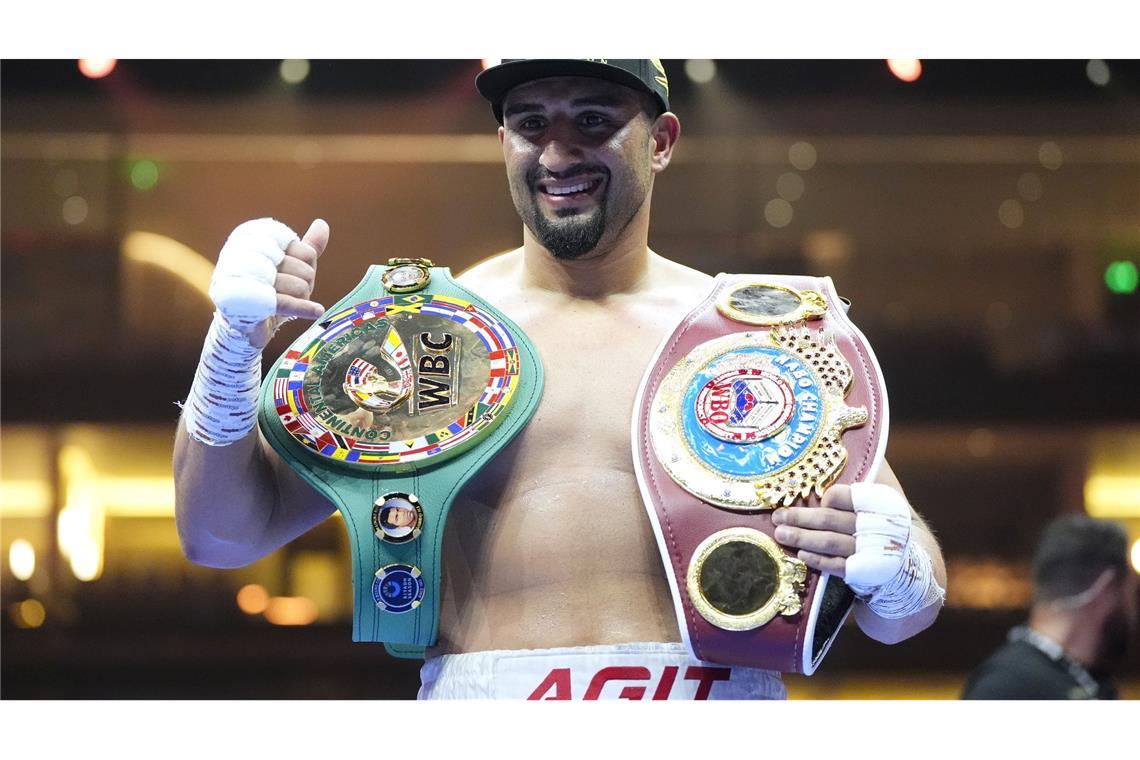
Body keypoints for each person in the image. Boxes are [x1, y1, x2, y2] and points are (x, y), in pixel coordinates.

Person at [173, 59, 947, 700]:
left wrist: (898, 561)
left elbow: (899, 614)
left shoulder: (755, 337)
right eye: (532, 123)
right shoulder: (419, 335)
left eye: (593, 120)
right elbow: (220, 534)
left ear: (663, 139)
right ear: (502, 138)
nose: (558, 152)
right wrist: (236, 342)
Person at [961, 514, 1137, 699]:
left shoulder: (1090, 680)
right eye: (1132, 593)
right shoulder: (1005, 688)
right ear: (1106, 588)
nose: (1133, 611)